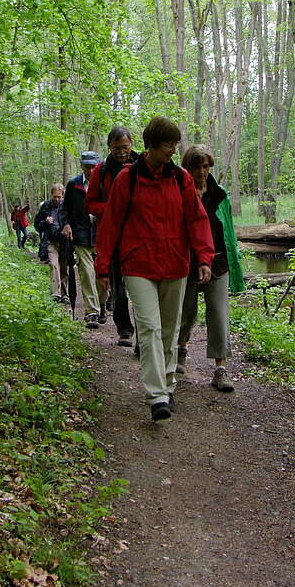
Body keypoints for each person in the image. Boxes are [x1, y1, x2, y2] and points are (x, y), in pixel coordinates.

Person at [96, 117, 213, 422]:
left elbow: (196, 219)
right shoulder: (127, 179)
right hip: (138, 264)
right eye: (167, 147)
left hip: (176, 262)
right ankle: (157, 395)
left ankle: (169, 383)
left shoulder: (181, 178)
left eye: (175, 146)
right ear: (150, 146)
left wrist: (203, 257)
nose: (172, 152)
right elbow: (111, 224)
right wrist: (103, 265)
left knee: (170, 330)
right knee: (148, 328)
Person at [175, 145, 245, 393]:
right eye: (197, 167)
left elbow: (228, 231)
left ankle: (220, 369)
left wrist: (234, 264)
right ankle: (181, 350)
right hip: (188, 263)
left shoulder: (220, 194)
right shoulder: (179, 192)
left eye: (206, 167)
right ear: (188, 168)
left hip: (218, 262)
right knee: (186, 313)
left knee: (218, 314)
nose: (202, 172)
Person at [85, 127, 138, 347]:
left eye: (125, 147)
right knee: (118, 288)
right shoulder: (102, 170)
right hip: (112, 235)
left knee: (141, 286)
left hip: (138, 234)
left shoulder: (142, 165)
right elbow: (90, 203)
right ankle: (124, 329)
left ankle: (144, 335)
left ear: (131, 144)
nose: (121, 152)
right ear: (109, 147)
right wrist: (112, 209)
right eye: (117, 148)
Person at [64, 151, 103, 327]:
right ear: (82, 166)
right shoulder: (74, 185)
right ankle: (92, 312)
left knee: (102, 275)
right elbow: (65, 210)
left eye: (93, 166)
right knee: (87, 273)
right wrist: (66, 224)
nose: (90, 170)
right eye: (87, 166)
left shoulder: (105, 183)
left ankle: (103, 302)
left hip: (102, 236)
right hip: (80, 236)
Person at [35, 185, 68, 302]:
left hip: (64, 242)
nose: (57, 199)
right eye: (55, 197)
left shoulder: (67, 205)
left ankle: (65, 294)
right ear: (51, 195)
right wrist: (45, 222)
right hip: (50, 241)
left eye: (59, 197)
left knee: (64, 268)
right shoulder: (45, 206)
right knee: (54, 265)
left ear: (63, 195)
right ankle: (56, 293)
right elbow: (37, 225)